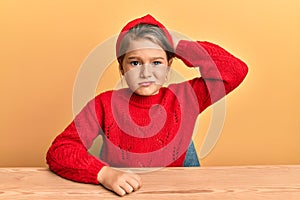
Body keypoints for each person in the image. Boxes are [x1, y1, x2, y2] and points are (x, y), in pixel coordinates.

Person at [46, 14, 248, 196]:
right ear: (122, 67)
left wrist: (177, 45)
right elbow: (60, 150)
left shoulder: (187, 96)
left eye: (157, 62)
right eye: (135, 62)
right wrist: (103, 173)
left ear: (169, 65)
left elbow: (236, 71)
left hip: (174, 192)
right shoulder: (104, 104)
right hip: (125, 193)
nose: (146, 73)